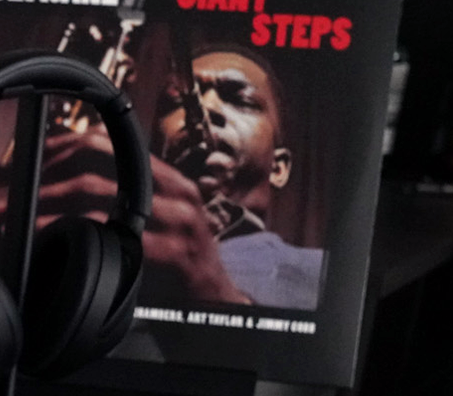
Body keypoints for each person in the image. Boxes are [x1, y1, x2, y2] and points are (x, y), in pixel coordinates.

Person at [31, 45, 325, 310]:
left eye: (241, 99)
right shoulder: (104, 248)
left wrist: (210, 292)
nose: (206, 109)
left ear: (279, 167)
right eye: (175, 103)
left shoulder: (321, 273)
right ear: (155, 148)